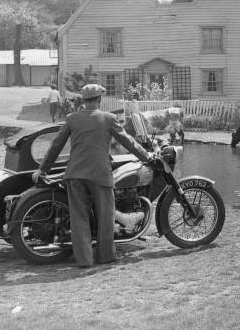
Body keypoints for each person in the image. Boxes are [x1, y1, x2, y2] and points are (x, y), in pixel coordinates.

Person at [32, 84, 153, 267]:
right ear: (99, 99)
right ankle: (106, 256)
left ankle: (84, 260)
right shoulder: (108, 118)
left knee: (79, 218)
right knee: (106, 216)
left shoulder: (72, 119)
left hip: (76, 174)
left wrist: (43, 169)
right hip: (100, 174)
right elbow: (128, 142)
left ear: (83, 100)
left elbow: (56, 145)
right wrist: (147, 156)